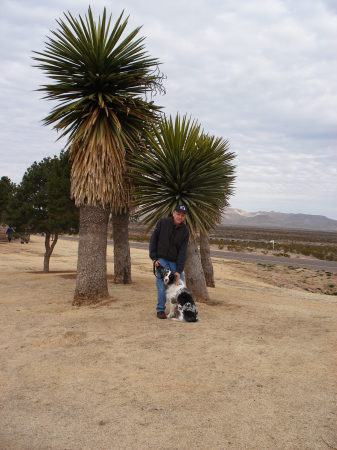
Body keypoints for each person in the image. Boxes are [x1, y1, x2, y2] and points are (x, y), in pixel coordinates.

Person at [149, 205, 189, 319]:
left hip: (175, 262)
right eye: (178, 214)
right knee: (162, 285)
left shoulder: (185, 231)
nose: (180, 217)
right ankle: (160, 310)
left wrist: (178, 270)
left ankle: (181, 311)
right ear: (173, 213)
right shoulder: (162, 223)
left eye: (182, 215)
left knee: (180, 286)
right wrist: (154, 258)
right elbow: (153, 240)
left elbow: (183, 251)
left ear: (184, 217)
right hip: (161, 259)